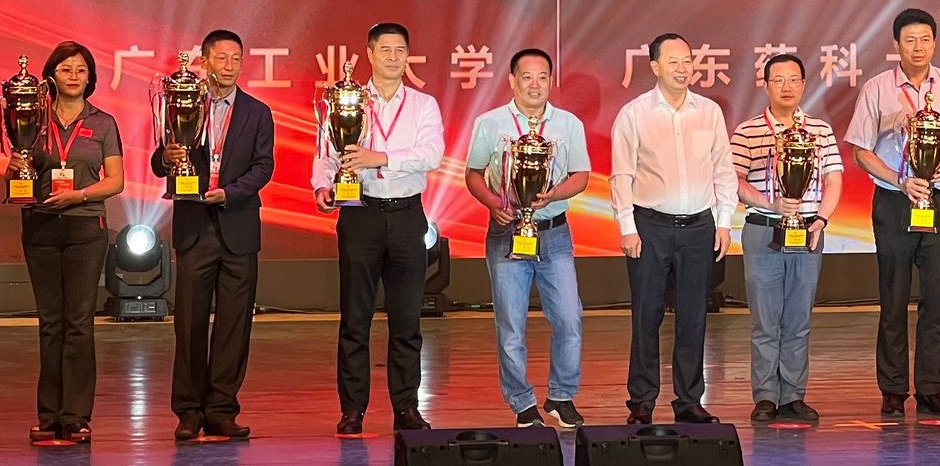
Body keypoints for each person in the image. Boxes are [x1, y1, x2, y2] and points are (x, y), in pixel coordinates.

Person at [845, 9, 940, 418]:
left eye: (925, 39)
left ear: (934, 43)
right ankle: (892, 389)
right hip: (894, 201)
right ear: (896, 45)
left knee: (937, 298)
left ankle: (930, 389)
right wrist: (900, 179)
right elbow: (861, 150)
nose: (918, 47)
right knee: (893, 297)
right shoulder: (876, 89)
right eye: (909, 40)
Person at [312, 23, 445, 435]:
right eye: (385, 49)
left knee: (407, 319)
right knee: (355, 318)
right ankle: (352, 410)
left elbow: (432, 154)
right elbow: (326, 151)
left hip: (407, 215)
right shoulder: (346, 100)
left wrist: (380, 157)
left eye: (400, 50)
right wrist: (322, 185)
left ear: (408, 56)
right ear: (369, 54)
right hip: (360, 213)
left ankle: (406, 408)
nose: (393, 57)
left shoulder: (423, 105)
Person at [151, 30, 275, 441]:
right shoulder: (181, 102)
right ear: (204, 61)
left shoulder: (257, 112)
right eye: (221, 58)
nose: (229, 65)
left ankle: (222, 409)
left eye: (236, 58)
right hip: (194, 227)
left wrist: (230, 193)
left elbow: (264, 167)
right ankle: (188, 411)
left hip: (238, 225)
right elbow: (158, 161)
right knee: (189, 323)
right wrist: (167, 156)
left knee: (234, 325)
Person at [611, 33, 738, 425]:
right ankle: (642, 400)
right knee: (646, 315)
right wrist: (627, 227)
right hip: (650, 226)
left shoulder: (709, 112)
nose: (683, 69)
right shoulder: (634, 113)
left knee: (694, 316)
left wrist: (724, 221)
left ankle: (689, 400)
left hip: (700, 227)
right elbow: (621, 175)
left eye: (688, 61)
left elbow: (724, 169)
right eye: (673, 62)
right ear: (655, 66)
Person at [464, 48, 590, 429]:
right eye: (527, 77)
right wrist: (493, 203)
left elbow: (581, 176)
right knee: (510, 325)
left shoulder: (568, 124)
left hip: (554, 233)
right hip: (506, 233)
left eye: (542, 77)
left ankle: (561, 396)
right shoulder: (490, 123)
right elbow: (473, 174)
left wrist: (554, 194)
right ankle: (522, 403)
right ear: (512, 81)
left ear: (551, 81)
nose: (535, 85)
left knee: (569, 317)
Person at [6, 41, 125, 444]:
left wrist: (80, 195)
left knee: (78, 323)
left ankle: (75, 417)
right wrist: (16, 168)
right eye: (65, 69)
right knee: (50, 323)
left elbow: (116, 181)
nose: (74, 76)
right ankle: (48, 416)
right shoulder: (32, 118)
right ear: (50, 76)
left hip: (85, 227)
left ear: (90, 77)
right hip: (40, 226)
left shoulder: (103, 123)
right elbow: (18, 174)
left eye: (81, 69)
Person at [732, 53, 843, 425]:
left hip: (808, 233)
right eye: (778, 80)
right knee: (765, 321)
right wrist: (771, 204)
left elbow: (834, 179)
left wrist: (821, 219)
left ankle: (794, 395)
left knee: (798, 319)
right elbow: (734, 180)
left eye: (793, 79)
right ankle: (765, 395)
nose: (786, 87)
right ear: (765, 85)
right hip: (764, 230)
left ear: (803, 84)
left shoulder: (820, 130)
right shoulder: (748, 131)